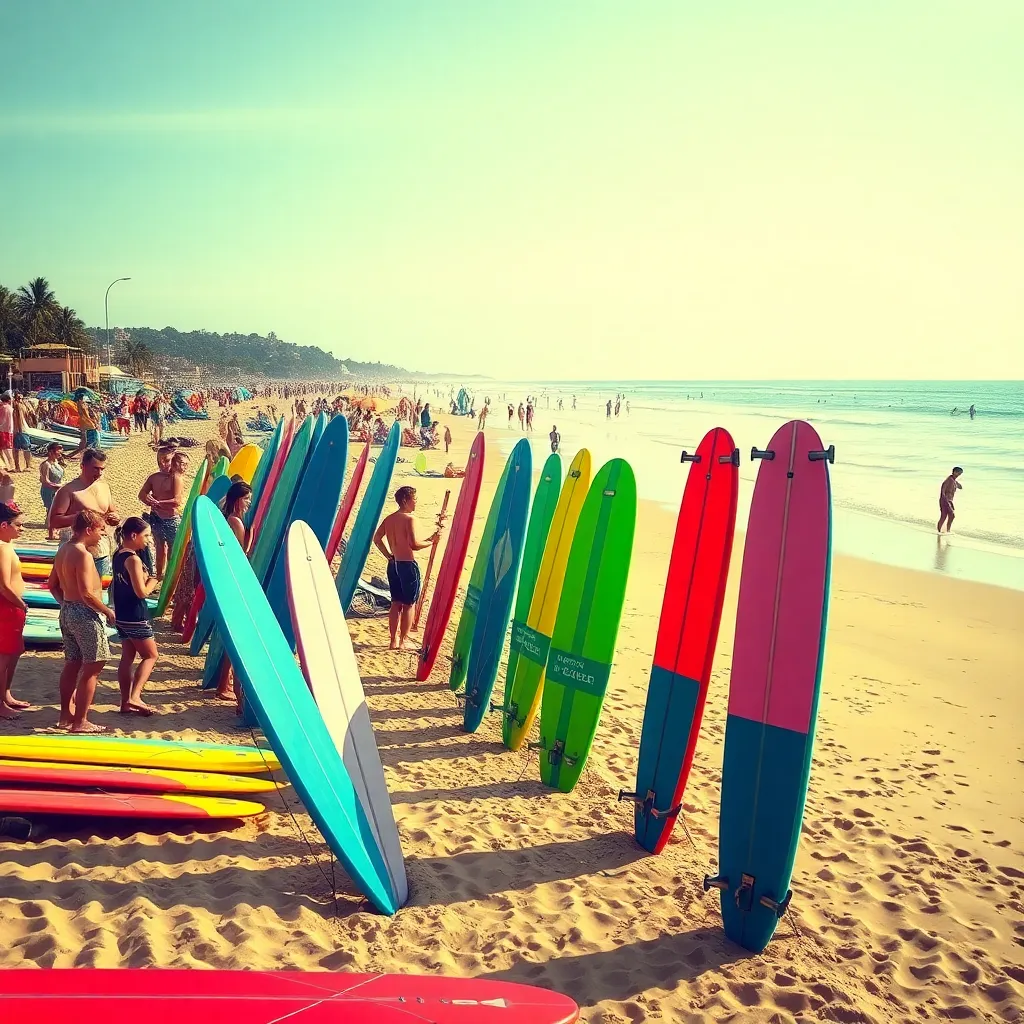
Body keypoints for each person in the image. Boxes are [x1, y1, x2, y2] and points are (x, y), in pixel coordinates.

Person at [49, 509, 116, 732]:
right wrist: (107, 611)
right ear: (88, 530)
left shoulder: (63, 550)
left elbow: (52, 585)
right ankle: (80, 721)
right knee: (93, 666)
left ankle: (65, 716)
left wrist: (65, 603)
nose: (102, 535)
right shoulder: (83, 554)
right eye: (100, 530)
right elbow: (87, 593)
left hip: (68, 611)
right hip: (85, 614)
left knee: (72, 663)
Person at [373, 485, 443, 650]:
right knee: (408, 604)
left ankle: (393, 640)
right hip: (407, 565)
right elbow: (414, 544)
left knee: (395, 603)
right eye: (414, 499)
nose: (416, 503)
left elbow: (377, 539)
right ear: (405, 500)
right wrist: (431, 541)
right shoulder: (409, 519)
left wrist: (389, 555)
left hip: (393, 564)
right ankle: (403, 641)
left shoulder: (389, 519)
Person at [111, 517, 159, 716]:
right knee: (151, 655)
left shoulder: (118, 554)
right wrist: (153, 581)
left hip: (122, 613)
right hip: (135, 615)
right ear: (133, 535)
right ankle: (135, 696)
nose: (148, 540)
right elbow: (141, 592)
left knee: (128, 656)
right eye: (146, 536)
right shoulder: (133, 559)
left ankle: (125, 702)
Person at [49, 448, 121, 577]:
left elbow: (112, 511)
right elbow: (54, 521)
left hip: (101, 552)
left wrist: (115, 517)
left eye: (102, 469)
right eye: (95, 469)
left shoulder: (104, 487)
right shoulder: (68, 490)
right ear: (82, 466)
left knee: (100, 587)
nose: (99, 473)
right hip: (75, 553)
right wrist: (84, 517)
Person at [215, 482, 252, 703]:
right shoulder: (235, 521)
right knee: (235, 634)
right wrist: (251, 537)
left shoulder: (227, 517)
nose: (249, 503)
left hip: (228, 578)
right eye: (247, 499)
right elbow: (241, 554)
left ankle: (225, 683)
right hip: (234, 580)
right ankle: (223, 685)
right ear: (238, 500)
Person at [0, 501, 28, 719]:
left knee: (13, 653)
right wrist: (20, 604)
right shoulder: (1, 548)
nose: (22, 529)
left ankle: (6, 694)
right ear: (4, 525)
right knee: (4, 657)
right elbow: (3, 585)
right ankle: (0, 704)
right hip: (7, 606)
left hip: (13, 606)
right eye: (18, 525)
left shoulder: (6, 545)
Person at [138, 447, 184, 579]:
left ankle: (170, 576)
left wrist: (158, 503)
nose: (163, 464)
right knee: (159, 547)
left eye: (167, 461)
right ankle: (159, 575)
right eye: (160, 461)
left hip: (171, 518)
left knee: (172, 549)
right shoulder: (154, 478)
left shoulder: (176, 478)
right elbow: (141, 494)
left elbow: (177, 501)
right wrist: (147, 500)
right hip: (156, 517)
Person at [39, 442, 66, 540]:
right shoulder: (46, 464)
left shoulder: (57, 463)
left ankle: (53, 527)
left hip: (58, 489)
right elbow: (44, 480)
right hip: (49, 490)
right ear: (51, 452)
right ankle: (52, 530)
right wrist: (57, 486)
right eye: (58, 451)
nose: (60, 453)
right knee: (52, 509)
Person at [938, 467, 963, 534]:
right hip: (945, 500)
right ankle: (941, 531)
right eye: (958, 473)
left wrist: (956, 484)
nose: (959, 475)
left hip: (949, 501)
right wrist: (945, 501)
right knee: (946, 516)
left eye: (960, 474)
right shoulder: (948, 480)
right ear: (954, 472)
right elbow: (942, 491)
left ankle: (947, 530)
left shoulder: (953, 480)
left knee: (950, 516)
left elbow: (960, 487)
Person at [12, 393, 32, 472]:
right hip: (24, 429)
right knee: (25, 448)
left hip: (19, 430)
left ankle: (19, 467)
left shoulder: (18, 406)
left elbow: (19, 418)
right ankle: (27, 466)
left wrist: (19, 430)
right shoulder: (24, 406)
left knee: (17, 449)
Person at [0, 393, 14, 471]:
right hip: (9, 430)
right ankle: (8, 465)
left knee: (4, 449)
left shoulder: (3, 408)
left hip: (2, 430)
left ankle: (8, 465)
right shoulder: (10, 408)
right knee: (6, 449)